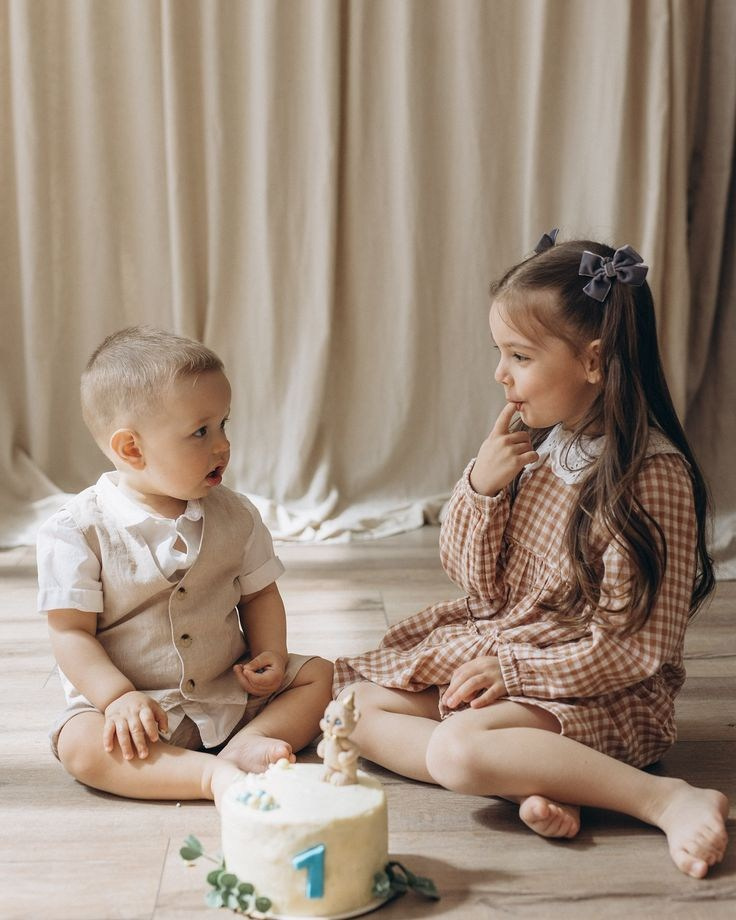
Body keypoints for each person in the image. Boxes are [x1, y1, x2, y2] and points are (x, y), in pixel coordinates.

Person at [334, 231, 729, 878]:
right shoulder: (539, 443)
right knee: (349, 710)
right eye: (499, 353)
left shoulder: (650, 477)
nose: (500, 373)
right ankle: (536, 778)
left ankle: (664, 799)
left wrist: (514, 673)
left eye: (519, 355)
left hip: (598, 689)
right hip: (515, 650)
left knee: (456, 750)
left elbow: (634, 651)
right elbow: (478, 586)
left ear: (593, 362)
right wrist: (481, 488)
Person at [37, 326, 333, 806]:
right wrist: (116, 697)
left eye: (223, 425)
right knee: (79, 745)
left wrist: (271, 654)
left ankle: (249, 741)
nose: (222, 446)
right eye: (201, 432)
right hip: (140, 714)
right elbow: (70, 632)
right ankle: (207, 776)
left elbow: (260, 594)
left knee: (321, 675)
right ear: (132, 449)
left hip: (227, 693)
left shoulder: (236, 514)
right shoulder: (77, 530)